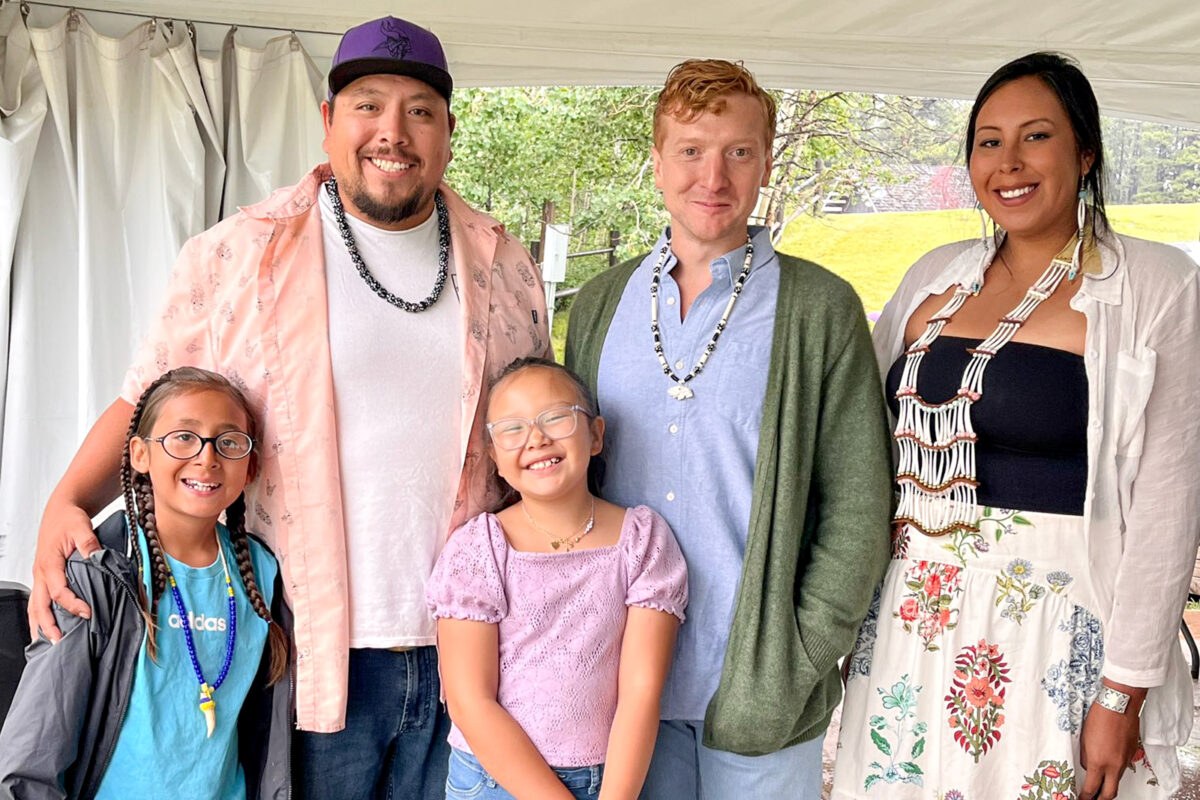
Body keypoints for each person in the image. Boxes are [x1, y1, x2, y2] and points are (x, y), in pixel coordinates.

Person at [26, 16, 550, 800]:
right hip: (303, 643)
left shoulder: (503, 262)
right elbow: (149, 395)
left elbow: (535, 435)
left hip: (472, 647)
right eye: (368, 104)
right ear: (329, 119)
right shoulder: (238, 252)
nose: (392, 131)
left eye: (419, 110)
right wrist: (65, 500)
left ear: (448, 131)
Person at [832, 52, 1200, 800]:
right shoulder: (934, 274)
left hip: (1058, 632)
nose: (1009, 162)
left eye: (1036, 136)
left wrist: (1120, 691)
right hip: (910, 623)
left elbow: (1170, 502)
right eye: (988, 141)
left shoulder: (1157, 286)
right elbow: (855, 443)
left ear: (1086, 152)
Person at [565, 59, 893, 799]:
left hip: (758, 686)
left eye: (738, 151)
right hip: (618, 687)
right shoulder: (597, 306)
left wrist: (800, 655)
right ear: (656, 162)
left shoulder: (821, 308)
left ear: (766, 162)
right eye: (690, 150)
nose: (713, 175)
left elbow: (859, 504)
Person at [0, 367, 289, 799]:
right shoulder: (97, 574)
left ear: (249, 466)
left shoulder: (263, 571)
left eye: (228, 442)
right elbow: (31, 757)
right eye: (184, 437)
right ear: (139, 454)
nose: (207, 457)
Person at [426, 357, 688, 799]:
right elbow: (471, 701)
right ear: (494, 456)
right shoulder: (479, 550)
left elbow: (640, 692)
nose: (536, 438)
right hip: (493, 781)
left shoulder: (642, 541)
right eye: (512, 428)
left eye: (557, 418)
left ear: (596, 435)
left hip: (607, 781)